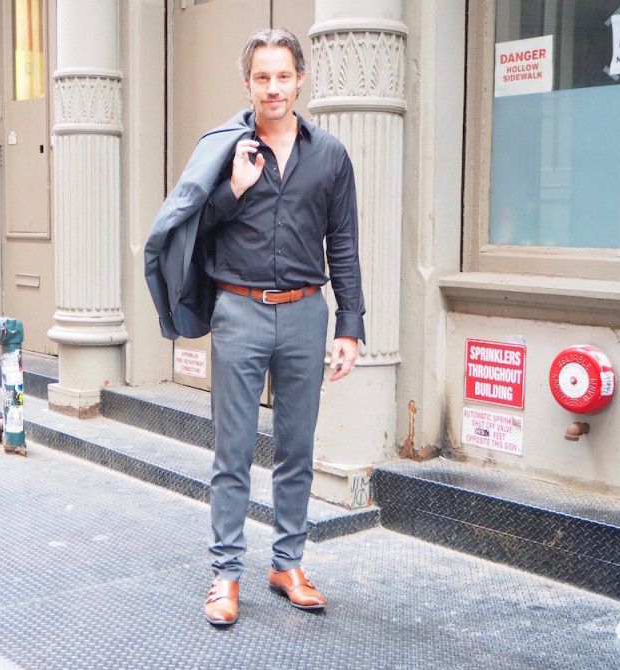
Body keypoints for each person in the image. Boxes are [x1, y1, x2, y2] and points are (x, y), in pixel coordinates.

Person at [199, 27, 365, 627]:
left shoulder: (331, 156)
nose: (274, 88)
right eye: (262, 77)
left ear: (300, 79)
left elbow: (342, 242)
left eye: (283, 76)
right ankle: (225, 573)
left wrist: (350, 323)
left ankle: (287, 562)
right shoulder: (224, 151)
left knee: (297, 445)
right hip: (238, 310)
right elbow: (190, 227)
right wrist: (231, 192)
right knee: (233, 449)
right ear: (248, 84)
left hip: (304, 312)